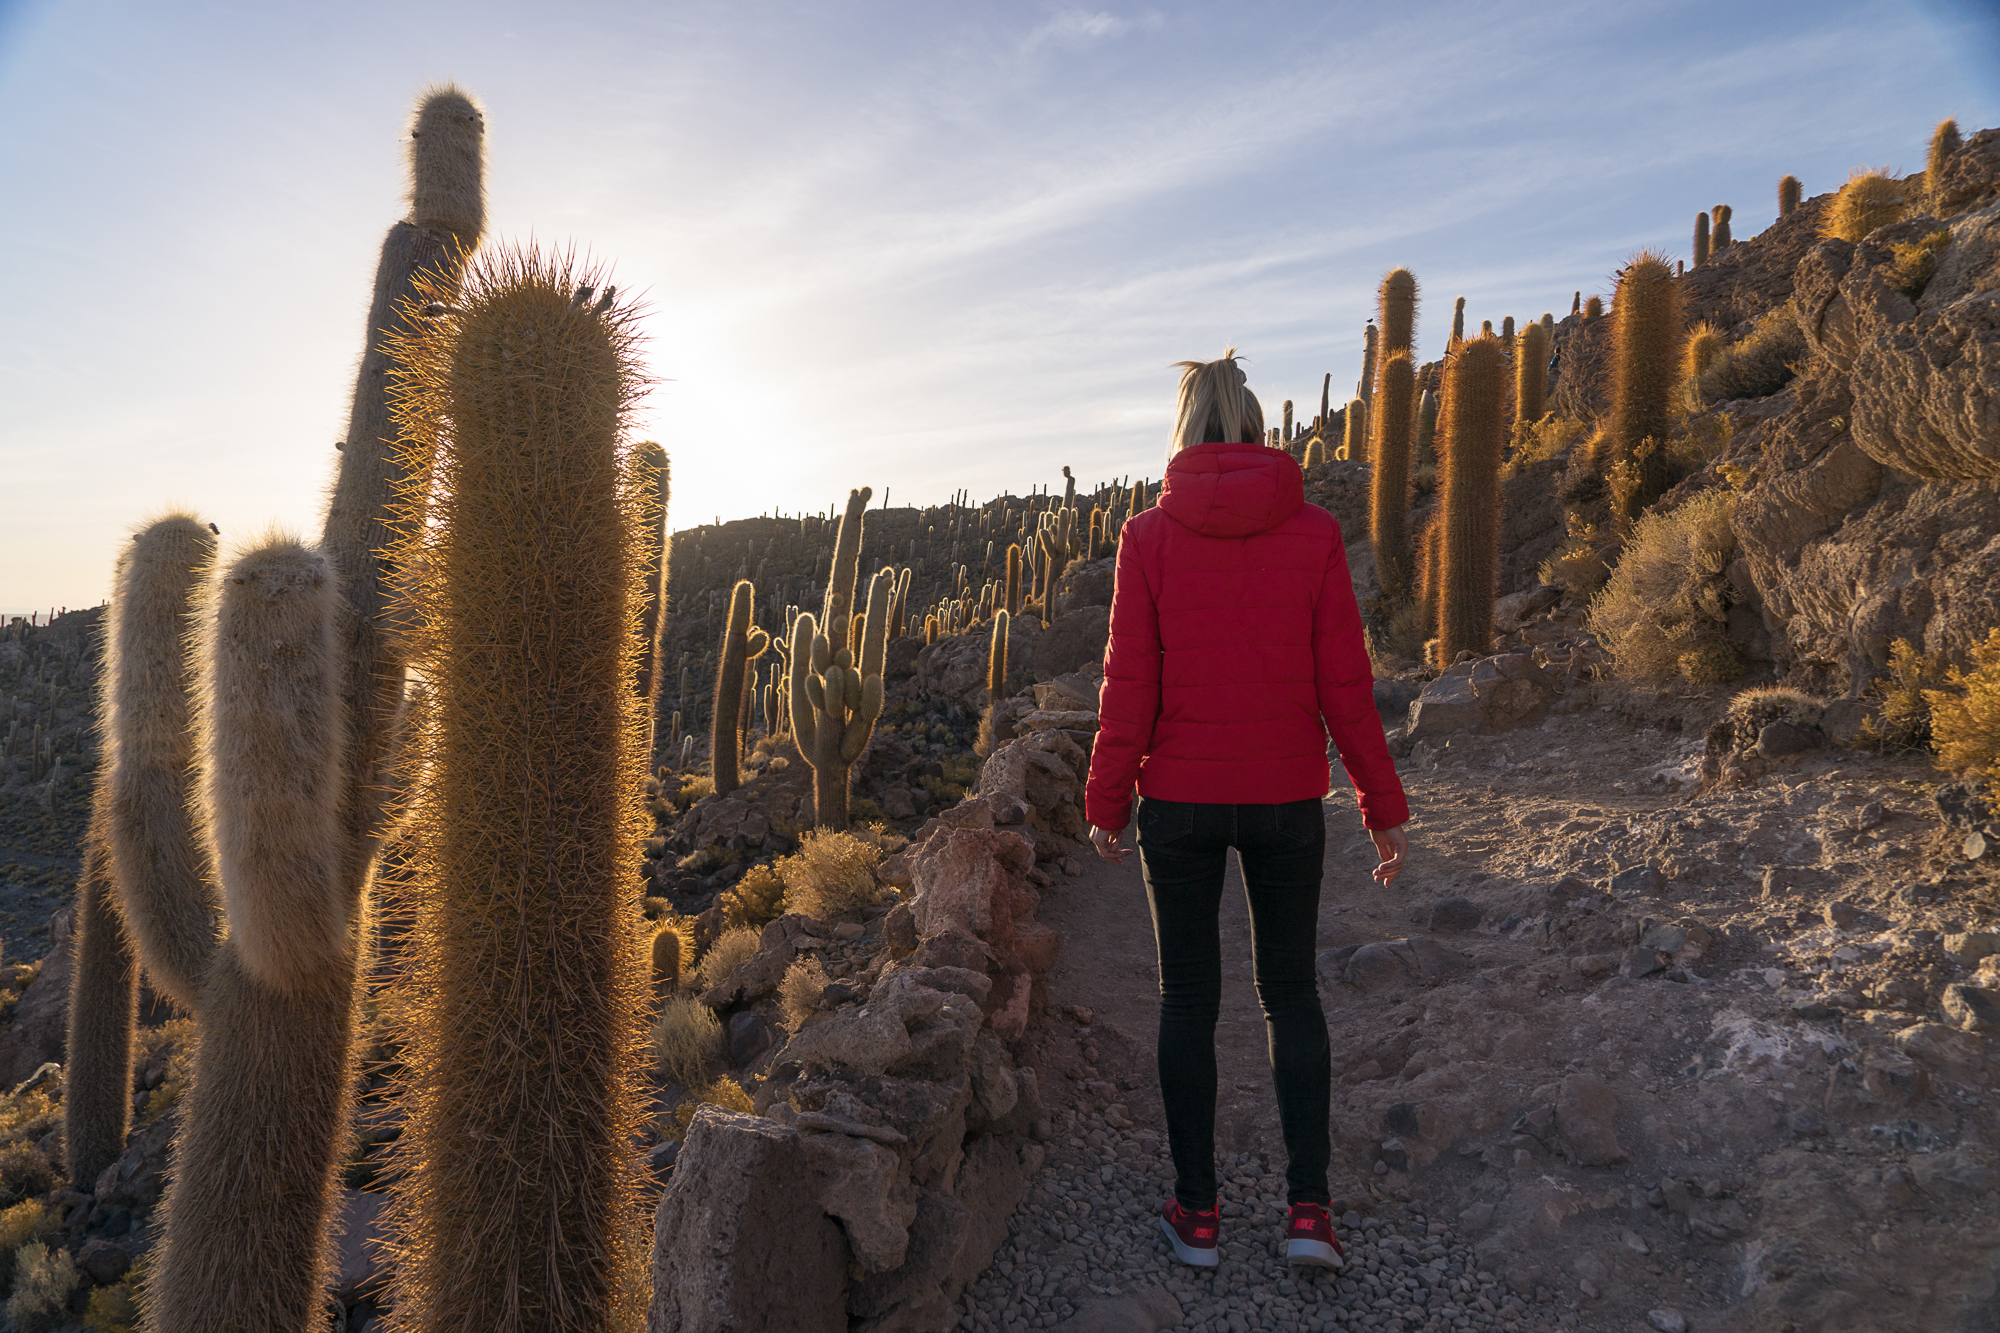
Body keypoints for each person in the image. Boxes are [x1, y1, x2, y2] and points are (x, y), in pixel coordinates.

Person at [1084, 349, 1410, 1272]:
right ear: (1260, 430)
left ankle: (1197, 1216)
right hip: (1284, 804)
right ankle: (1310, 1212)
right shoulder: (1311, 533)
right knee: (1291, 992)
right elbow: (1346, 684)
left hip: (1178, 804)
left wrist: (1106, 800)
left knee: (1188, 998)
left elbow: (1128, 689)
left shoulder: (1146, 538)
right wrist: (1379, 805)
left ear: (1185, 434)